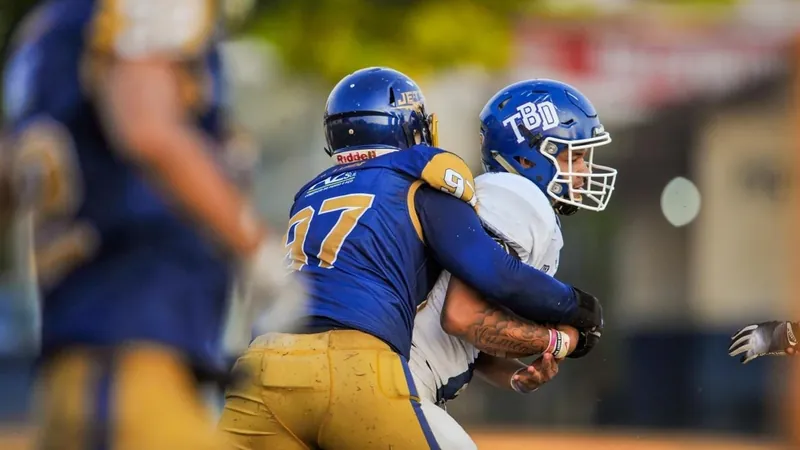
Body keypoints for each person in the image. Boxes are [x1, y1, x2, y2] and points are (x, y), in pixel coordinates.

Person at [219, 68, 605, 449]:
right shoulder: (422, 174)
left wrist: (528, 356)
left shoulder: (310, 191)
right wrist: (577, 310)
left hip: (261, 365)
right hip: (355, 364)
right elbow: (492, 275)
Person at [1, 2, 300, 449]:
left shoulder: (47, 29)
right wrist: (256, 248)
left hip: (83, 368)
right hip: (130, 361)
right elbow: (146, 129)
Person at [408, 78, 618, 449]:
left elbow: (473, 340)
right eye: (573, 157)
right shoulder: (517, 195)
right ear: (526, 158)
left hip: (405, 375)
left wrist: (516, 374)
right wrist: (559, 340)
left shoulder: (503, 198)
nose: (585, 171)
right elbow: (461, 315)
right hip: (405, 379)